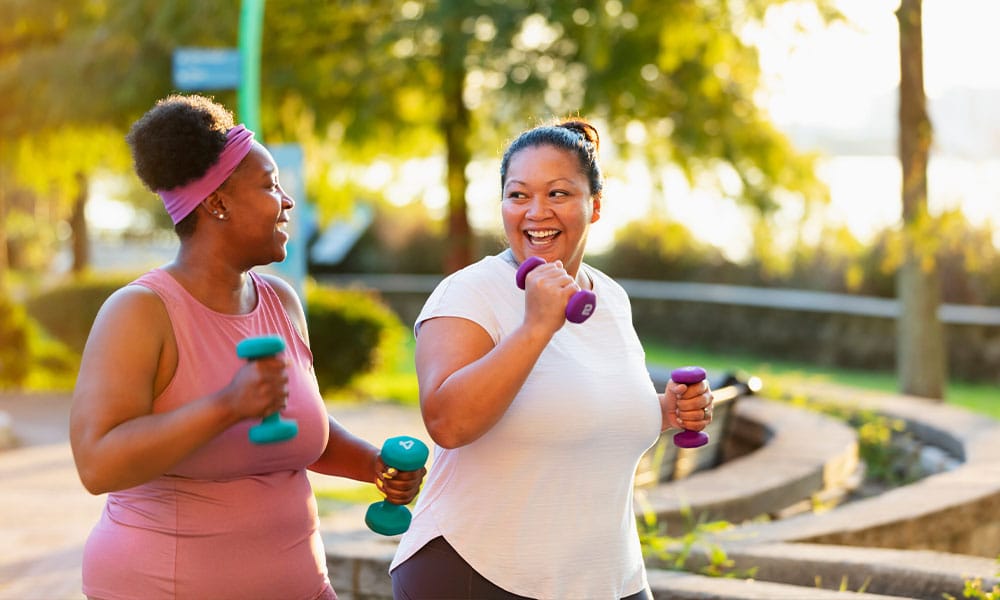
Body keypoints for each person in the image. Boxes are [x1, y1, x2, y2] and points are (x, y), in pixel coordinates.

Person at [69, 94, 425, 600]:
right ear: (217, 202)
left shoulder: (280, 300)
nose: (287, 201)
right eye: (270, 185)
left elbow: (303, 431)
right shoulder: (140, 311)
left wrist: (372, 466)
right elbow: (98, 463)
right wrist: (226, 406)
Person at [388, 118, 715, 599]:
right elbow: (448, 422)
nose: (536, 211)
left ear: (595, 206)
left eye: (558, 193)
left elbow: (573, 409)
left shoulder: (610, 297)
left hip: (608, 580)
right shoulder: (468, 292)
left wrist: (662, 411)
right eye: (518, 195)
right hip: (478, 574)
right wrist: (536, 327)